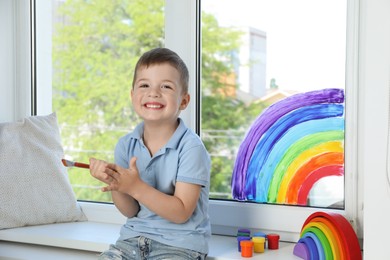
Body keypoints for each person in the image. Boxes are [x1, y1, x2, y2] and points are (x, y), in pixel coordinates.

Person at [89, 47, 211, 260]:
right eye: (144, 85)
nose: (153, 92)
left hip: (179, 246)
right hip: (130, 242)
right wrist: (116, 184)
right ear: (133, 95)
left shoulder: (191, 148)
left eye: (166, 86)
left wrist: (135, 186)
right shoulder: (125, 145)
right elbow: (130, 211)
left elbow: (181, 212)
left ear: (183, 101)